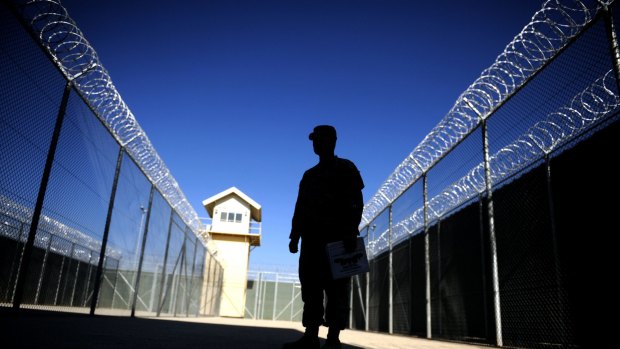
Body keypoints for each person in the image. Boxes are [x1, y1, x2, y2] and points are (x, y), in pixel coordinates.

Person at [284, 125, 364, 349]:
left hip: (337, 239)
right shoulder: (309, 175)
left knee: (336, 289)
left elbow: (357, 202)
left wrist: (350, 230)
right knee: (311, 288)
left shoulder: (346, 168)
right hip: (312, 240)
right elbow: (300, 208)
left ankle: (333, 339)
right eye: (314, 140)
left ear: (332, 141)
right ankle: (311, 335)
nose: (316, 144)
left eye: (320, 139)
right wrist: (294, 236)